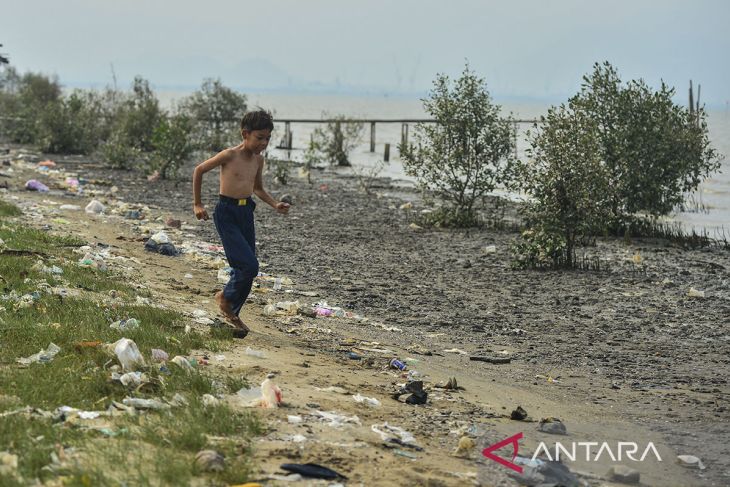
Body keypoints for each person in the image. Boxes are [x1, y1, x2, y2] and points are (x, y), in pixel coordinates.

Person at [192, 109, 290, 338]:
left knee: (247, 268)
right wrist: (197, 204)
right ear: (245, 134)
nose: (263, 143)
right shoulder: (229, 155)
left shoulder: (258, 160)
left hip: (246, 212)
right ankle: (225, 299)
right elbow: (199, 170)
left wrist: (275, 204)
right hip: (226, 212)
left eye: (267, 138)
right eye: (259, 138)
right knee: (249, 266)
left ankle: (231, 311)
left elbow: (257, 188)